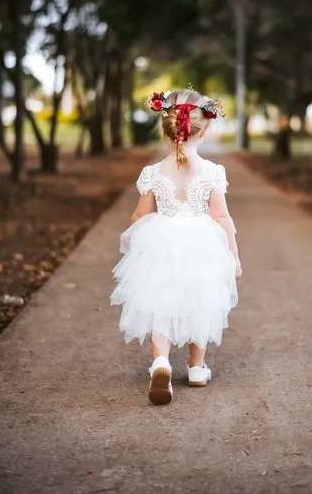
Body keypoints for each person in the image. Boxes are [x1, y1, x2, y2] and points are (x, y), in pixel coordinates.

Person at [110, 88, 242, 405]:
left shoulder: (153, 172)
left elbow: (141, 214)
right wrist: (233, 257)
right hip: (203, 244)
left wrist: (135, 241)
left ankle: (160, 362)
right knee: (201, 300)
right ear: (205, 128)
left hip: (161, 242)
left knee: (161, 302)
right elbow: (221, 217)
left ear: (165, 128)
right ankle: (196, 368)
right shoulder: (212, 172)